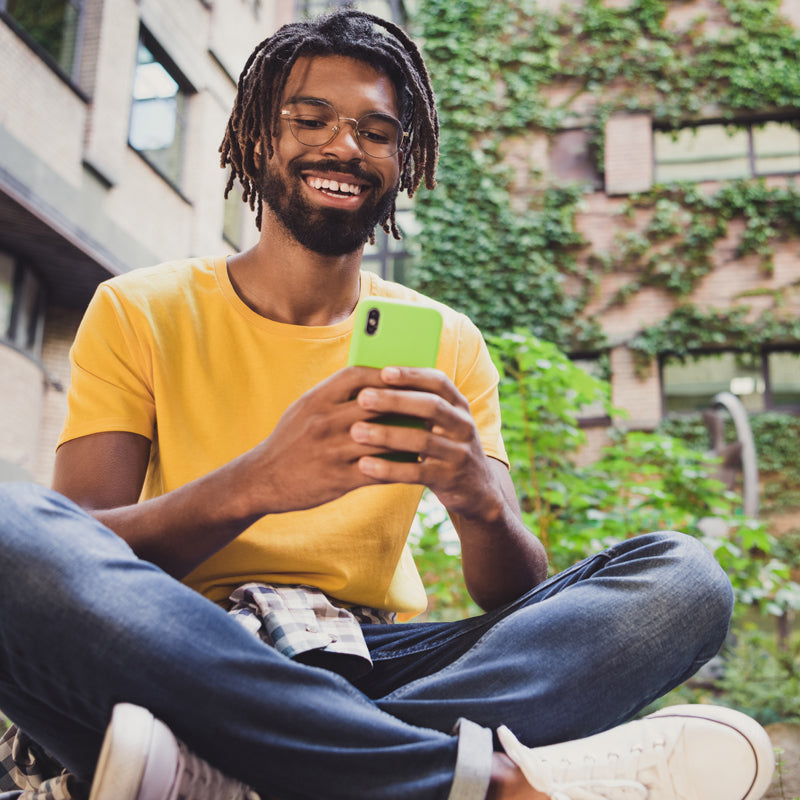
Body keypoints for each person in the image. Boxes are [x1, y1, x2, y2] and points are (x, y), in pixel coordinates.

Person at [0, 9, 775, 800]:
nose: (344, 145)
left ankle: (250, 772)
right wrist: (258, 483)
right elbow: (78, 547)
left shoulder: (447, 341)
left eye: (376, 131)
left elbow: (513, 592)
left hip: (376, 661)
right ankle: (457, 778)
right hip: (183, 650)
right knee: (7, 530)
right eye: (311, 119)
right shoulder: (142, 310)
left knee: (685, 581)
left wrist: (478, 500)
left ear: (404, 162)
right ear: (258, 138)